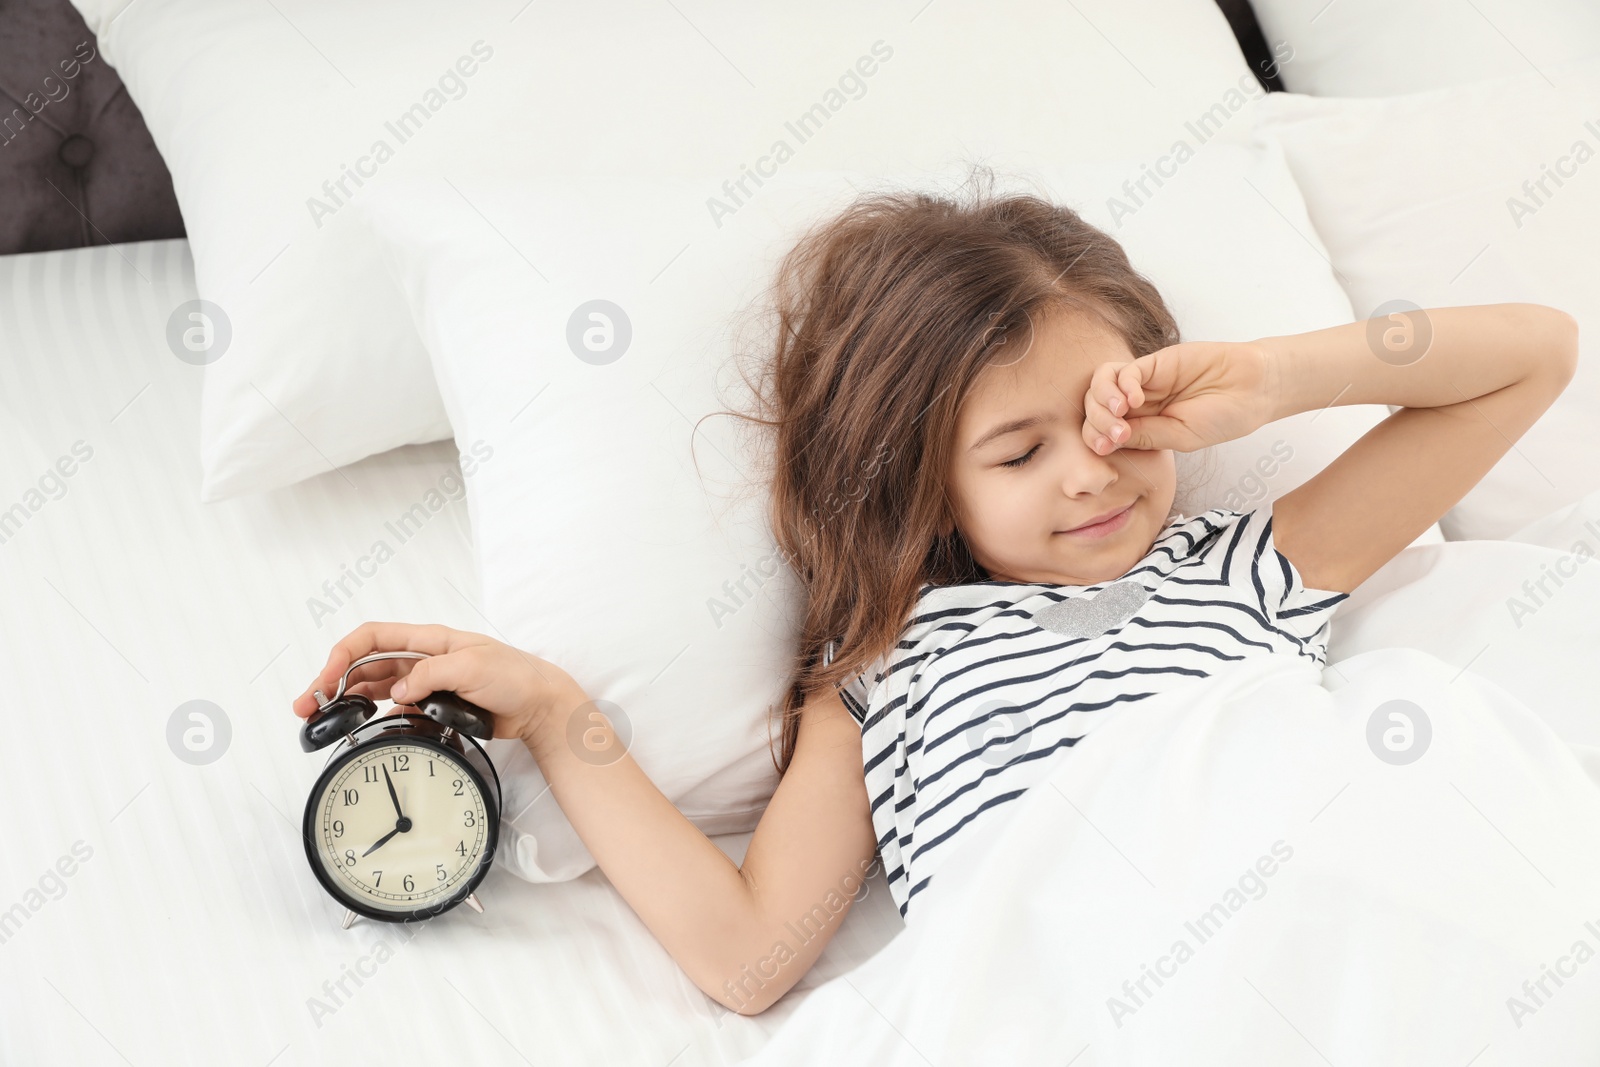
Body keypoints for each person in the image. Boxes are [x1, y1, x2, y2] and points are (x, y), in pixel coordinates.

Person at [291, 168, 1578, 1016]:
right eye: (1019, 453)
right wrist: (553, 705)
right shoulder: (884, 673)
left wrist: (1275, 378)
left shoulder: (1242, 564)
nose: (1091, 472)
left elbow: (1532, 358)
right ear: (924, 488)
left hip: (1338, 902)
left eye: (1115, 418)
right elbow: (747, 954)